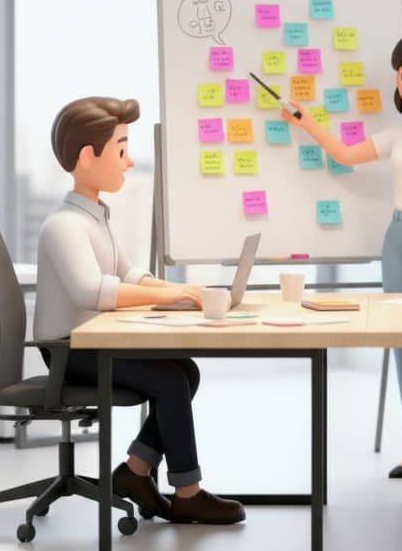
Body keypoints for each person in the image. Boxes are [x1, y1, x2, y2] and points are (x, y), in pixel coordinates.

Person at [33, 96, 245, 525]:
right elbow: (91, 290)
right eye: (121, 150)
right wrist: (170, 297)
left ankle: (135, 472)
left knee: (185, 371)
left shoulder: (96, 218)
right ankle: (187, 492)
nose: (128, 163)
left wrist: (187, 290)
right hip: (68, 352)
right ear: (86, 156)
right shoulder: (63, 225)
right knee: (169, 380)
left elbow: (129, 273)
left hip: (92, 342)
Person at [282, 26, 402, 483]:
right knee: (401, 344)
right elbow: (346, 156)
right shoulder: (396, 137)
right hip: (397, 237)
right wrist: (306, 122)